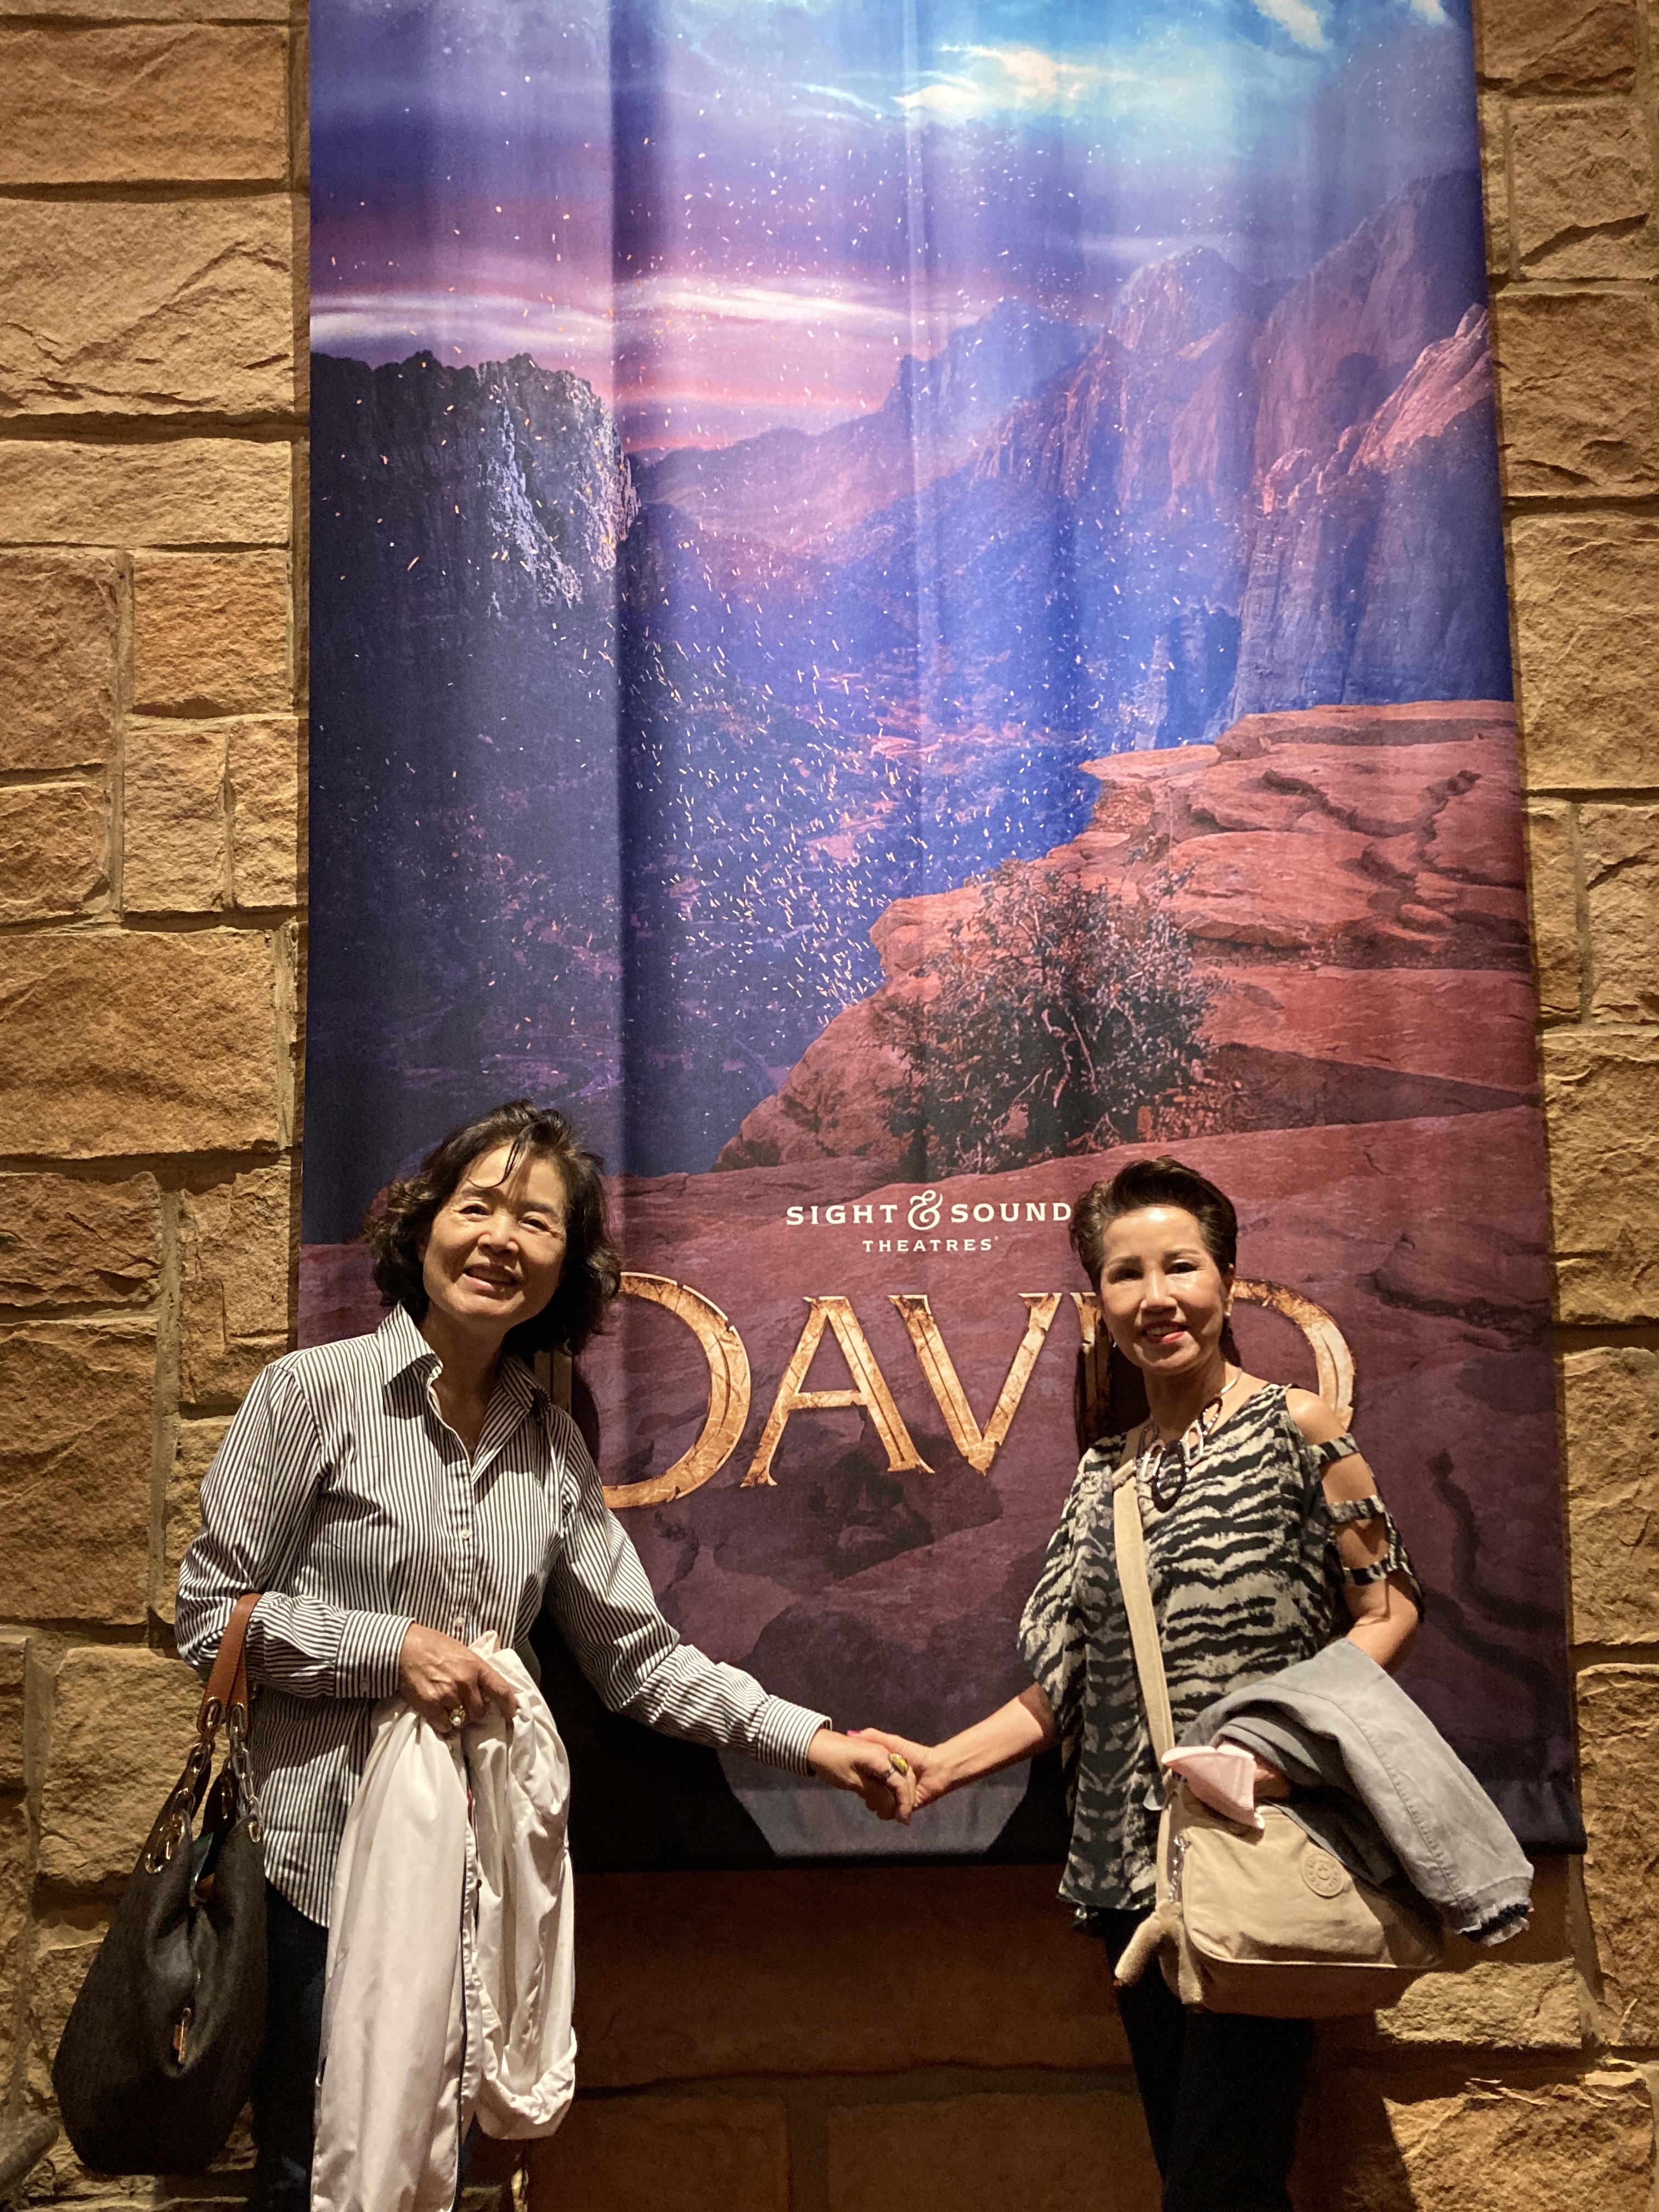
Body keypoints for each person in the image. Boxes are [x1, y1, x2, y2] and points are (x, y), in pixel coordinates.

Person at [175, 1099, 912, 2211]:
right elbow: (207, 1616)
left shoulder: (549, 1444)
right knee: (311, 2169)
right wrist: (392, 1649)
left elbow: (641, 1661)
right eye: (478, 1207)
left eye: (536, 1222)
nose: (500, 1241)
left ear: (565, 1265)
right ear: (424, 1224)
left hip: (481, 1876)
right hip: (316, 1871)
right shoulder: (310, 1394)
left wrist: (815, 1742)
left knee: (447, 2169)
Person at [857, 1154, 1423, 2212]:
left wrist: (1279, 1747)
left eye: (1182, 1267)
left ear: (1228, 1281)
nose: (1157, 1298)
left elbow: (1388, 1611)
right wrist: (941, 1767)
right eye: (1127, 1275)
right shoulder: (1103, 1473)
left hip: (1254, 1852)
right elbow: (1066, 1686)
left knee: (1219, 2183)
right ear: (1101, 1301)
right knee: (1206, 2174)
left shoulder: (1299, 1430)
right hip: (1132, 1872)